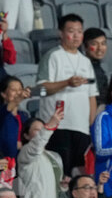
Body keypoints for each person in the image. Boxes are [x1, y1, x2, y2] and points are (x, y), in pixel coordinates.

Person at [38, 14, 98, 174]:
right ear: (61, 33)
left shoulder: (86, 62)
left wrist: (92, 129)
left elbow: (92, 98)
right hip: (58, 127)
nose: (76, 35)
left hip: (82, 129)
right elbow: (41, 89)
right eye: (71, 31)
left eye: (80, 31)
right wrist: (66, 83)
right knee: (59, 175)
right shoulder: (53, 56)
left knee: (78, 177)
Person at [17, 111, 64, 198]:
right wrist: (49, 126)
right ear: (26, 135)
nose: (41, 133)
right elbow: (36, 146)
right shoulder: (25, 152)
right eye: (37, 130)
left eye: (42, 129)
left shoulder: (54, 156)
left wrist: (63, 185)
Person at [83, 28, 109, 105]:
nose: (100, 48)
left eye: (103, 43)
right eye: (94, 44)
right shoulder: (86, 68)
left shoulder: (97, 66)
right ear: (85, 47)